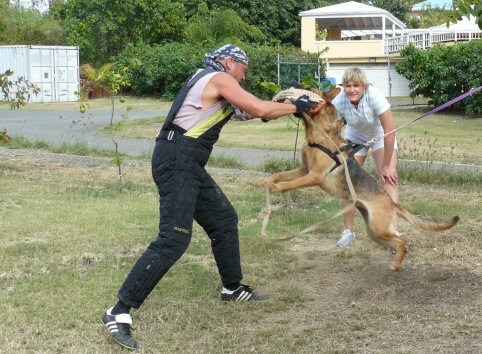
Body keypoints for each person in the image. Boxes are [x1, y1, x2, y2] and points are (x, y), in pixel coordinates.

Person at [101, 44, 313, 350]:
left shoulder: (215, 84)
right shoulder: (217, 77)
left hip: (186, 161)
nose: (245, 73)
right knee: (174, 238)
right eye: (244, 68)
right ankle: (118, 311)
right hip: (177, 159)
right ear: (229, 62)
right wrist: (298, 106)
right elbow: (258, 109)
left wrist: (283, 100)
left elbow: (251, 111)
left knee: (224, 219)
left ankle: (232, 288)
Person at [332, 67, 400, 247]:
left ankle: (393, 233)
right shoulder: (339, 101)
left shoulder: (375, 96)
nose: (351, 89)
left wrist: (387, 166)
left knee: (388, 179)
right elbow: (336, 134)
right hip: (355, 138)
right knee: (346, 183)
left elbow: (389, 130)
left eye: (356, 85)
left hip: (381, 138)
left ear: (364, 86)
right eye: (348, 85)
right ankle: (348, 232)